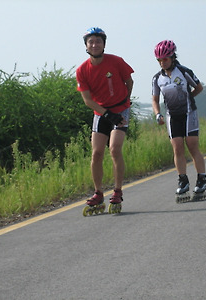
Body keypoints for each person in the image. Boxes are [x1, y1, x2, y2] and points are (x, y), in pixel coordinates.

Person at [76, 27, 134, 210]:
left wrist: (125, 102)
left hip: (121, 109)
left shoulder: (116, 61)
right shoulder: (82, 70)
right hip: (101, 112)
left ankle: (117, 191)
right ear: (86, 45)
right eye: (91, 42)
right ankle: (98, 192)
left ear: (103, 44)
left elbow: (129, 81)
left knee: (115, 149)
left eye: (98, 41)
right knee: (96, 153)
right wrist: (107, 113)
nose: (94, 45)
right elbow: (87, 100)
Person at [151, 40, 206, 201]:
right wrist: (157, 114)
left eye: (166, 59)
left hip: (189, 113)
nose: (163, 63)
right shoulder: (157, 79)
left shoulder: (184, 72)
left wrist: (188, 97)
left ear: (173, 57)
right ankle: (183, 181)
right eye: (159, 60)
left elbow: (199, 87)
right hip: (172, 116)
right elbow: (155, 99)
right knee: (177, 149)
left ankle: (201, 179)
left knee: (192, 146)